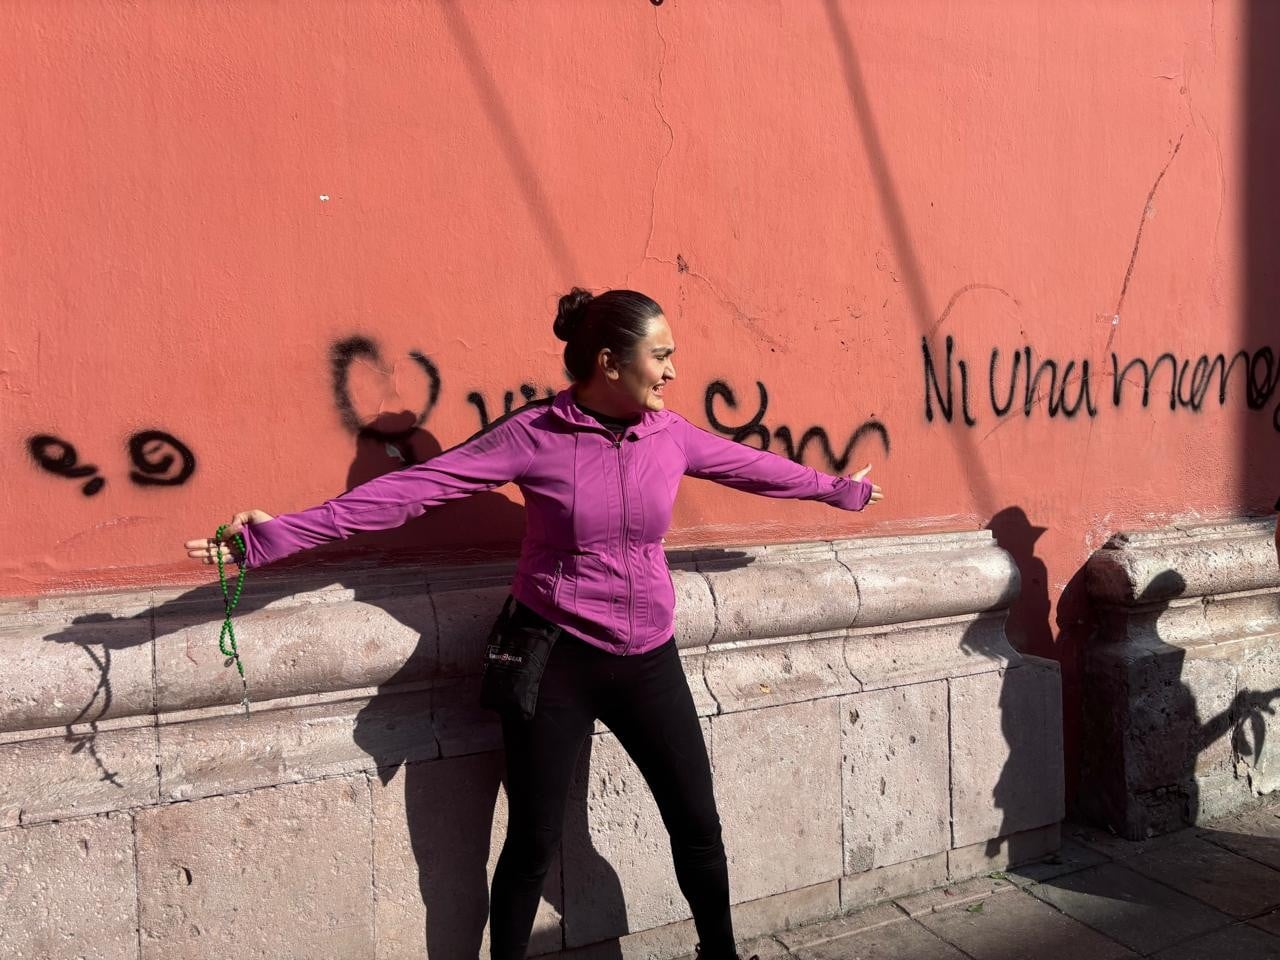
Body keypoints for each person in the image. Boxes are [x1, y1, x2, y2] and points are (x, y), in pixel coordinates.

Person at [186, 288, 883, 960]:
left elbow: (754, 468)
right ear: (609, 362)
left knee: (698, 824)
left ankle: (721, 955)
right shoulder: (534, 434)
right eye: (661, 354)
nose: (674, 369)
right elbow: (412, 490)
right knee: (533, 842)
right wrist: (269, 539)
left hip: (648, 659)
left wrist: (841, 491)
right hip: (556, 658)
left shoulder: (669, 435)